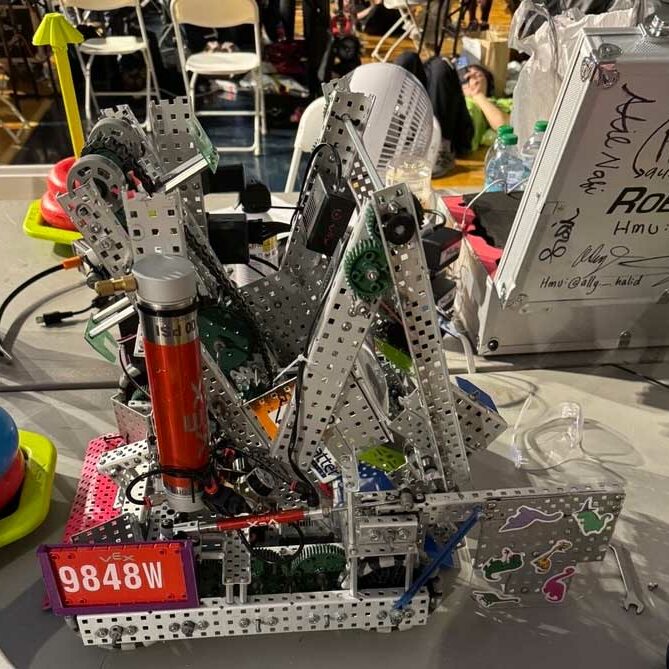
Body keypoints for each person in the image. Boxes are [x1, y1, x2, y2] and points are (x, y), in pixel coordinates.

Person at [396, 52, 510, 177]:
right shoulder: (444, 88)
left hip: (458, 133)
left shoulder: (497, 102)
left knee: (440, 66)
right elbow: (458, 61)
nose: (471, 76)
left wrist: (477, 95)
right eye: (467, 75)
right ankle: (392, 135)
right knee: (408, 59)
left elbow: (503, 126)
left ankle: (441, 149)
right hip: (424, 117)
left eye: (478, 75)